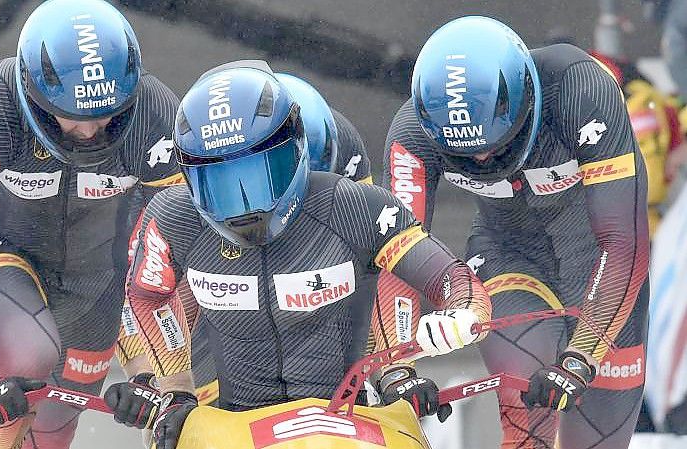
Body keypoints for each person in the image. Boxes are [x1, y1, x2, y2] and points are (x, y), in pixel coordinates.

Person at [102, 60, 492, 449]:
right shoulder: (174, 217)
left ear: (294, 147)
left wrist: (460, 316)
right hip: (235, 425)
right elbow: (145, 295)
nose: (243, 203)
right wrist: (174, 390)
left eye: (259, 173)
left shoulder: (354, 206)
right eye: (219, 181)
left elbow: (449, 277)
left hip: (345, 418)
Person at [0, 1, 182, 448]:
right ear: (33, 95)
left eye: (109, 113)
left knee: (53, 433)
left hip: (99, 285)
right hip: (2, 256)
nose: (92, 132)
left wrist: (156, 377)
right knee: (25, 360)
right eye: (74, 116)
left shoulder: (156, 118)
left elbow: (163, 259)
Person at [381, 16, 650, 449]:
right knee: (526, 407)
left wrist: (580, 360)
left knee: (598, 437)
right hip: (509, 253)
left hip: (600, 260)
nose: (485, 159)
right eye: (467, 155)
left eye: (496, 143)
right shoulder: (411, 134)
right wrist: (396, 367)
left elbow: (623, 242)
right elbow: (396, 250)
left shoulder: (581, 90)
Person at [168, 71, 374, 405]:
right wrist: (169, 388)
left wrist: (391, 368)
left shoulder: (345, 156)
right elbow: (170, 283)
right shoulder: (203, 171)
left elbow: (373, 261)